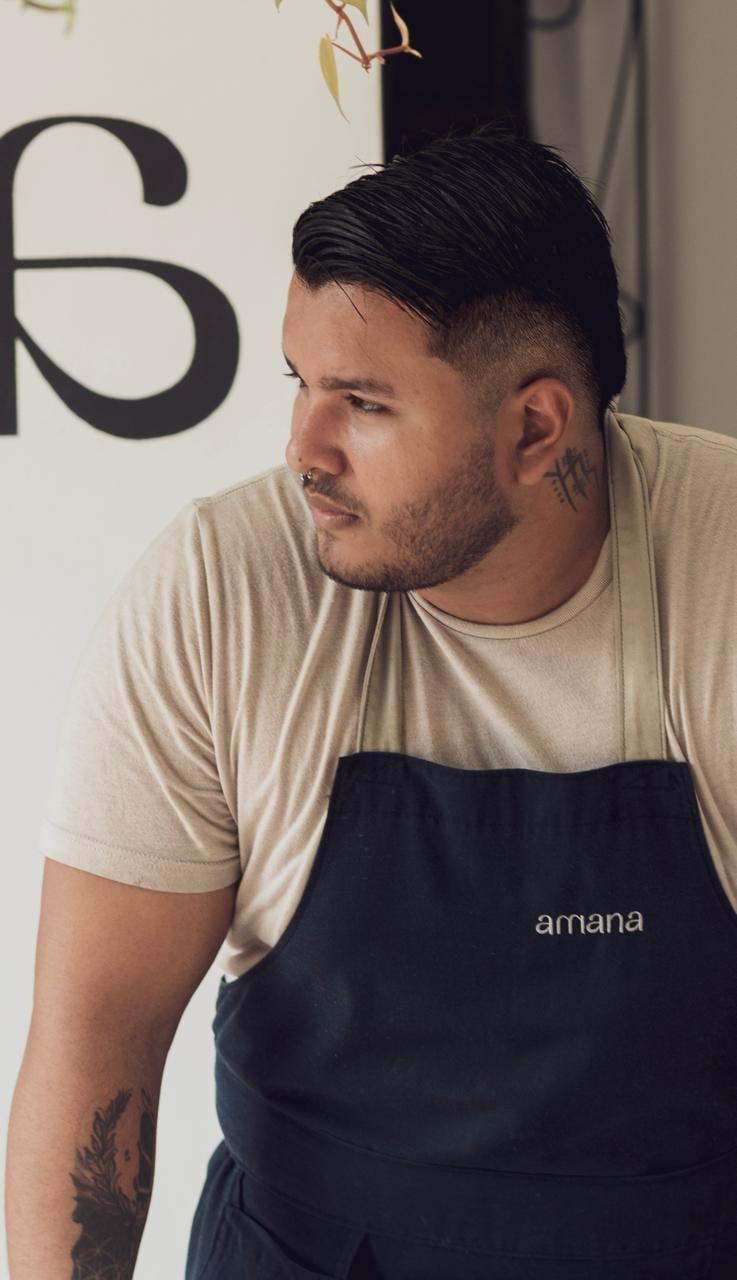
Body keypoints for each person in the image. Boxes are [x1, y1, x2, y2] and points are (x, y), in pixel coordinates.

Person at [7, 120, 737, 1280]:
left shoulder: (719, 569)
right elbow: (102, 1033)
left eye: (362, 401)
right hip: (307, 1251)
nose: (303, 448)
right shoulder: (223, 585)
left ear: (534, 426)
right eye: (299, 383)